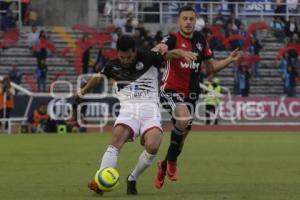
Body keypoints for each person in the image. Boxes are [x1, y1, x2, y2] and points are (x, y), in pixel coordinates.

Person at [78, 35, 192, 195]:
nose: (125, 60)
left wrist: (181, 52)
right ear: (117, 53)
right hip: (128, 111)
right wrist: (82, 91)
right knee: (116, 139)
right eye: (122, 57)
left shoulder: (149, 57)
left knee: (153, 146)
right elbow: (97, 78)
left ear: (135, 52)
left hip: (150, 112)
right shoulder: (112, 66)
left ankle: (132, 178)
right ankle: (100, 182)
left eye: (129, 57)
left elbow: (168, 54)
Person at [154, 5, 241, 189]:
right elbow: (157, 53)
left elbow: (211, 68)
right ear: (179, 21)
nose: (188, 22)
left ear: (196, 21)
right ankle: (171, 162)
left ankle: (164, 164)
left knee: (183, 135)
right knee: (183, 119)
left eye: (191, 19)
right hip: (169, 90)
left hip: (191, 95)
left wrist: (230, 60)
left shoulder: (201, 40)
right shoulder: (171, 38)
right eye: (184, 19)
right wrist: (176, 52)